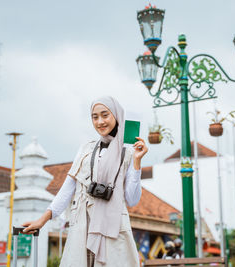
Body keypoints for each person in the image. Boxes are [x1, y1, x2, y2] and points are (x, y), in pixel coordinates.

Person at [22, 96, 148, 267]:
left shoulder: (130, 152)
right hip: (82, 226)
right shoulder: (86, 149)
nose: (100, 122)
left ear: (117, 116)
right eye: (95, 117)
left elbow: (132, 199)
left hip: (113, 229)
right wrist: (42, 220)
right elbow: (68, 189)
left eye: (105, 115)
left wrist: (138, 162)